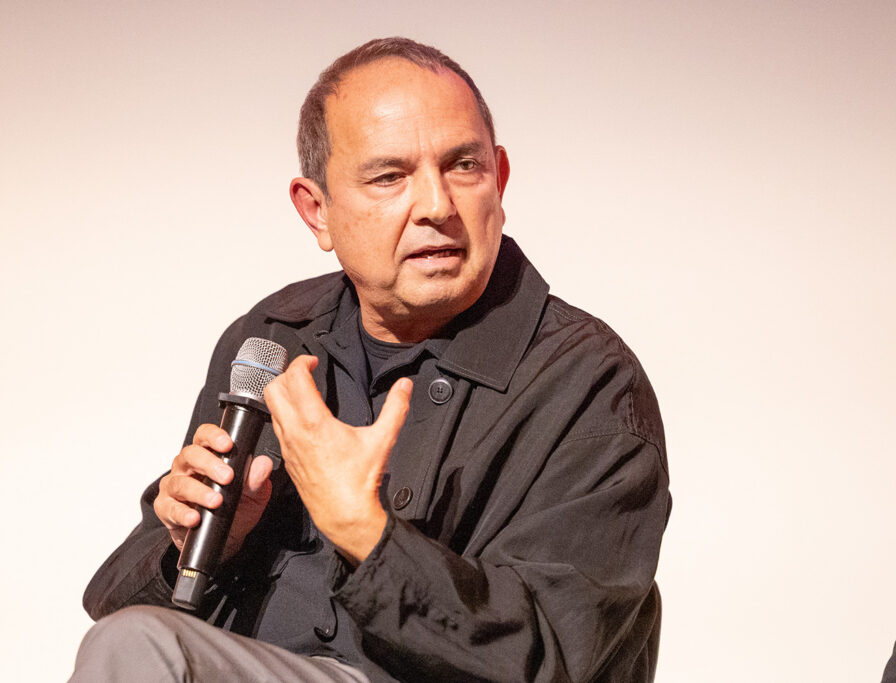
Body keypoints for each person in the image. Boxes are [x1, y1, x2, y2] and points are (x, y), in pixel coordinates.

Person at [72, 37, 671, 683]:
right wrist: (206, 542)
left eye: (463, 166)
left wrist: (364, 530)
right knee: (135, 640)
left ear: (499, 180)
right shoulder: (274, 338)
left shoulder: (587, 380)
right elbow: (114, 610)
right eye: (390, 177)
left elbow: (555, 659)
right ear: (317, 211)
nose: (437, 207)